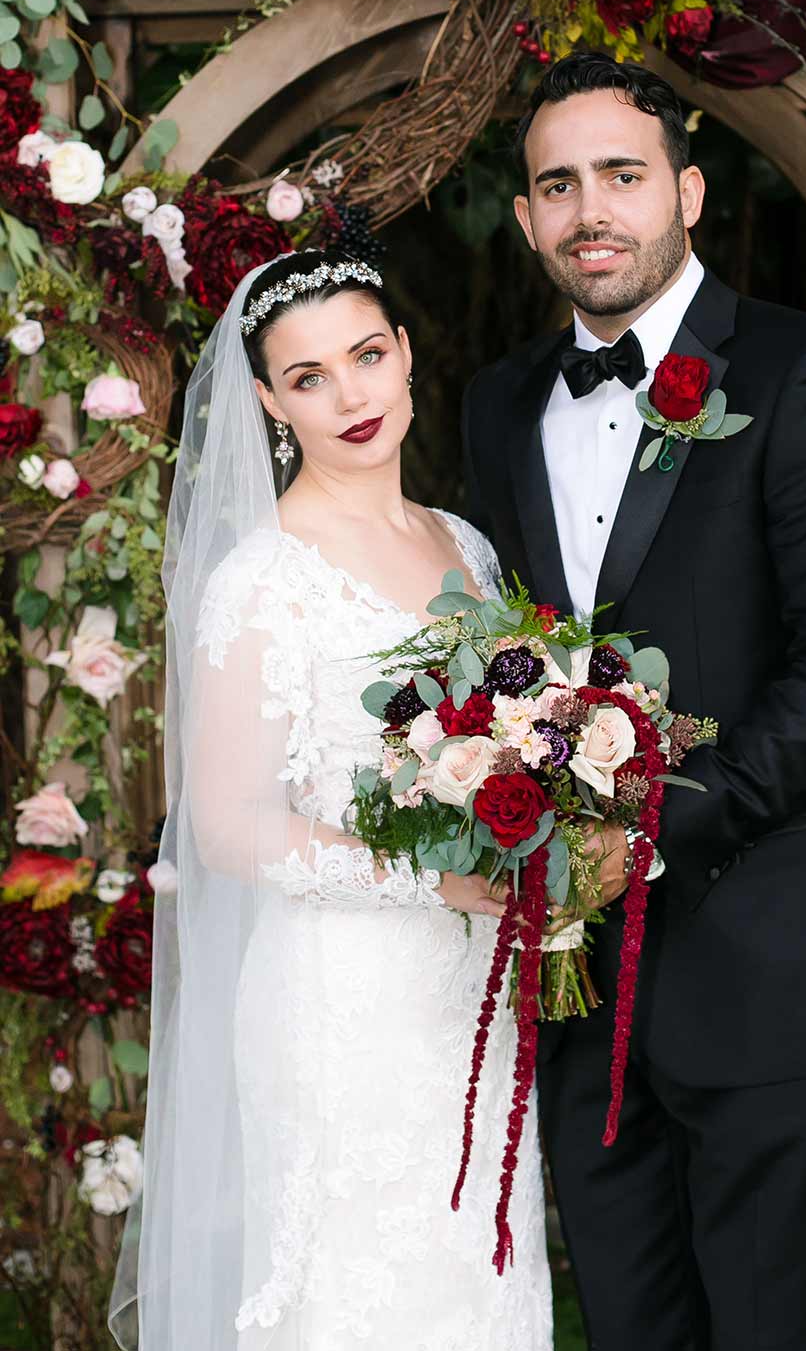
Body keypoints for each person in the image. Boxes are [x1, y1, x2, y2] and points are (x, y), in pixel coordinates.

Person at [462, 53, 806, 1351]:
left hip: (776, 969)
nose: (587, 209)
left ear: (685, 188)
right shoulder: (498, 409)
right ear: (523, 218)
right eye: (555, 184)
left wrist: (654, 827)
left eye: (619, 174)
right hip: (580, 987)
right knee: (625, 1322)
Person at [110, 251, 553, 1350]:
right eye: (308, 377)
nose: (351, 396)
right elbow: (229, 823)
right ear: (267, 401)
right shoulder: (264, 578)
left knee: (480, 1290)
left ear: (405, 355)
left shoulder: (468, 546)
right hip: (339, 1003)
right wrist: (428, 878)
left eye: (365, 355)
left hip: (475, 998)